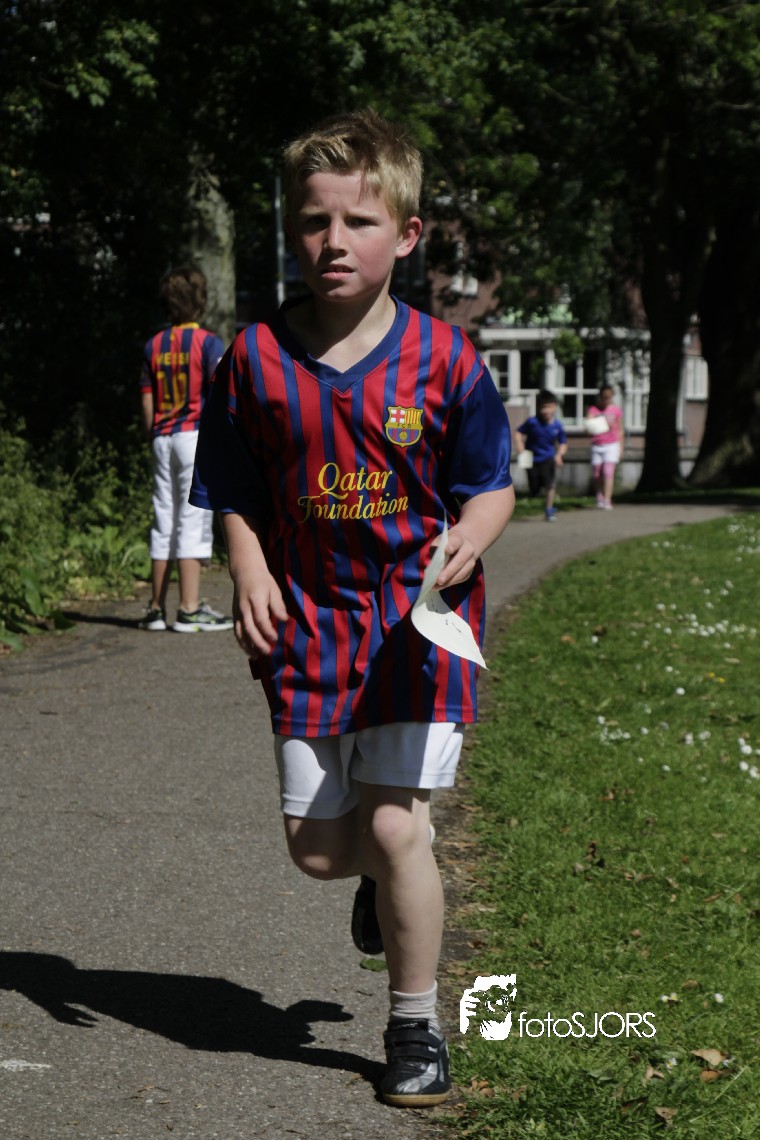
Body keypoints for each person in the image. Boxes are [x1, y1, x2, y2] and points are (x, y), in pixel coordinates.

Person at [190, 108, 514, 1107]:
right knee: (320, 850)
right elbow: (232, 488)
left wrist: (471, 537)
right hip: (307, 628)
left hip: (416, 628)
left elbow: (490, 484)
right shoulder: (252, 360)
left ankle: (415, 1029)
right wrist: (248, 566)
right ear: (292, 228)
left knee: (398, 828)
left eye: (359, 222)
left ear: (406, 235)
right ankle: (376, 885)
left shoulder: (445, 359)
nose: (334, 242)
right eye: (313, 221)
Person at [139, 265, 233, 632]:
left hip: (162, 438)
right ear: (200, 301)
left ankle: (155, 609)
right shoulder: (208, 343)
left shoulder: (153, 345)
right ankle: (190, 609)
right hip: (193, 436)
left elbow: (147, 400)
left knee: (164, 518)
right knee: (193, 517)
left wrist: (154, 435)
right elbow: (218, 393)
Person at [515, 388, 568, 521]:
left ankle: (549, 509)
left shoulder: (557, 425)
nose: (546, 410)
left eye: (548, 407)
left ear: (554, 407)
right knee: (534, 488)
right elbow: (518, 432)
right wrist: (521, 448)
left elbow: (563, 442)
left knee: (550, 484)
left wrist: (559, 455)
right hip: (531, 459)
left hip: (548, 458)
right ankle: (536, 492)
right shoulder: (532, 422)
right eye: (543, 407)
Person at [586, 383, 624, 509]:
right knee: (597, 473)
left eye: (609, 397)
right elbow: (588, 427)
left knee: (608, 472)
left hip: (611, 444)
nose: (606, 400)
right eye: (604, 397)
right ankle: (599, 496)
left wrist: (621, 447)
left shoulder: (616, 410)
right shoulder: (593, 410)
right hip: (597, 444)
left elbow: (620, 429)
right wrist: (595, 423)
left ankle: (607, 499)